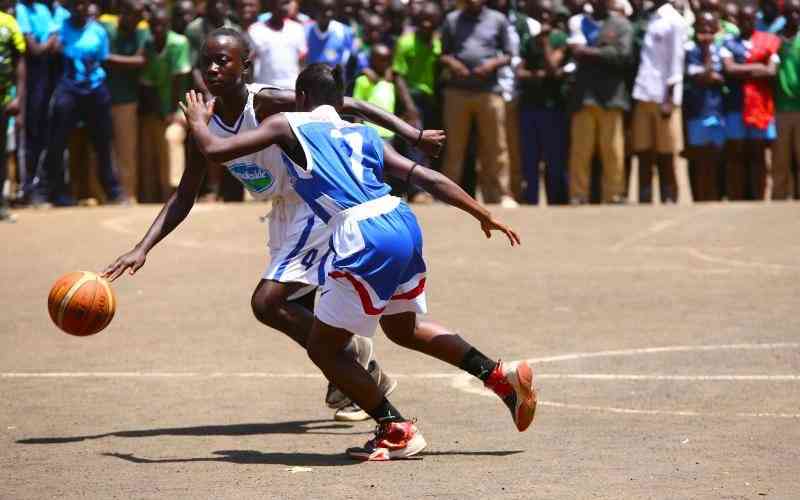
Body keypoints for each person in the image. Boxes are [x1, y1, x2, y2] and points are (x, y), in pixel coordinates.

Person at [181, 62, 537, 461]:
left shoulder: (288, 124)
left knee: (325, 348)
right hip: (401, 221)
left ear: (300, 99)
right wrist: (479, 212)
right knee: (403, 328)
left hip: (362, 234)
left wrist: (198, 122)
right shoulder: (362, 133)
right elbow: (423, 176)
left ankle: (395, 429)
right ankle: (498, 376)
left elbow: (214, 150)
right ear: (339, 102)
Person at [103, 28, 448, 422]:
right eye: (207, 62)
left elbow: (347, 102)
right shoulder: (207, 121)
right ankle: (355, 370)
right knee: (295, 306)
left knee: (267, 302)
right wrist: (143, 246)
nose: (213, 68)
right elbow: (185, 194)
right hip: (283, 214)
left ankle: (356, 370)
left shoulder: (266, 103)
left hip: (314, 203)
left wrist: (413, 134)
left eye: (223, 60)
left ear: (245, 66)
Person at [33, 0, 124, 207]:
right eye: (76, 5)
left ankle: (113, 192)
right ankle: (48, 192)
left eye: (84, 5)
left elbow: (102, 59)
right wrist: (54, 42)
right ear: (71, 8)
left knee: (103, 143)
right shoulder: (59, 28)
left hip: (95, 90)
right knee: (56, 142)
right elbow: (51, 48)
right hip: (68, 89)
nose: (81, 9)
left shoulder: (98, 32)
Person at [439, 0, 516, 206]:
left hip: (489, 91)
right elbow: (443, 54)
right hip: (457, 91)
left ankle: (501, 195)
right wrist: (454, 64)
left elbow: (509, 54)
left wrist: (492, 64)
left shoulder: (498, 19)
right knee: (455, 146)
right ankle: (449, 196)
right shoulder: (452, 20)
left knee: (496, 146)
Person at [567, 0, 633, 204]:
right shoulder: (578, 22)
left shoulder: (622, 24)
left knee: (613, 150)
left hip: (611, 96)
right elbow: (573, 50)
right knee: (581, 150)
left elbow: (623, 55)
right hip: (584, 96)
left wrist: (588, 52)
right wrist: (604, 52)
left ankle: (613, 195)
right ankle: (578, 195)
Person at [720, 4, 780, 200]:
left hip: (760, 107)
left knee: (758, 154)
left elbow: (771, 71)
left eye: (751, 19)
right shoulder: (728, 43)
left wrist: (743, 68)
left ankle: (759, 198)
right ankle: (737, 198)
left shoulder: (769, 41)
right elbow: (729, 70)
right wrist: (758, 68)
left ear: (756, 19)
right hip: (736, 106)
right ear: (736, 20)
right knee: (736, 154)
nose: (747, 22)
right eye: (743, 19)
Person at [631, 0, 687, 204]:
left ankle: (669, 197)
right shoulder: (651, 17)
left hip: (664, 96)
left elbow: (676, 62)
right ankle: (644, 198)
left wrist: (669, 99)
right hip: (644, 92)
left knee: (667, 152)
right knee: (643, 150)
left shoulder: (674, 21)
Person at [14, 0, 68, 204]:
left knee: (48, 134)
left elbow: (57, 44)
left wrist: (48, 44)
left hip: (49, 77)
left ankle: (46, 187)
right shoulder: (21, 9)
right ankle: (27, 188)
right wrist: (49, 43)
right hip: (32, 76)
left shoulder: (44, 9)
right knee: (31, 134)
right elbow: (34, 49)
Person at [517, 0, 570, 205]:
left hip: (553, 107)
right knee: (530, 158)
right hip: (531, 106)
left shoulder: (559, 38)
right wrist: (536, 75)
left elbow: (552, 67)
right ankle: (531, 201)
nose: (546, 18)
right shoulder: (530, 40)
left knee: (554, 158)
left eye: (549, 14)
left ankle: (556, 201)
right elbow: (520, 72)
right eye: (542, 14)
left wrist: (546, 42)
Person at [137, 8, 191, 202]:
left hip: (180, 107)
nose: (158, 29)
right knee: (150, 146)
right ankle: (154, 195)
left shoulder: (179, 43)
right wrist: (160, 111)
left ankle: (177, 190)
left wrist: (172, 111)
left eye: (162, 25)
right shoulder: (149, 44)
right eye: (154, 25)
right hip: (158, 108)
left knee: (171, 138)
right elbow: (148, 84)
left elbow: (180, 77)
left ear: (168, 25)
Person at [102, 0, 149, 204]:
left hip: (126, 99)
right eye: (135, 14)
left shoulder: (141, 31)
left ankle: (128, 194)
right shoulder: (105, 27)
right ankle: (101, 195)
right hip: (101, 97)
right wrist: (110, 59)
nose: (139, 18)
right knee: (101, 149)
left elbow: (140, 61)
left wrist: (107, 58)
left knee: (126, 152)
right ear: (122, 11)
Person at [684, 10, 726, 201]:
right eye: (702, 27)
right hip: (697, 112)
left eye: (710, 28)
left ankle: (715, 198)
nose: (706, 31)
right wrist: (710, 71)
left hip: (717, 111)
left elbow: (724, 75)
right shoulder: (690, 50)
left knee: (716, 158)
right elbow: (703, 76)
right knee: (700, 159)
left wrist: (713, 76)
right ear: (695, 28)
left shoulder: (722, 50)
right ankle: (701, 200)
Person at [772, 0, 800, 200]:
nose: (795, 17)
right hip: (779, 108)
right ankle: (780, 199)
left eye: (798, 13)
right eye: (791, 13)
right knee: (780, 159)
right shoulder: (774, 40)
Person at [0, 3, 25, 221]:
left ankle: (1, 204)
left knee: (2, 153)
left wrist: (18, 97)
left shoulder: (9, 23)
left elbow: (19, 61)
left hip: (4, 100)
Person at [248, 0, 306, 88]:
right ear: (271, 4)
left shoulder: (297, 29)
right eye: (284, 3)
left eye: (288, 2)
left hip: (292, 88)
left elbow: (302, 62)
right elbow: (250, 63)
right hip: (265, 89)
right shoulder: (256, 30)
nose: (287, 6)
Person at [305, 0, 355, 69]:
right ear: (315, 10)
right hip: (310, 78)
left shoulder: (344, 32)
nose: (328, 13)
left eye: (331, 10)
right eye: (323, 9)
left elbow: (349, 61)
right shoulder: (306, 30)